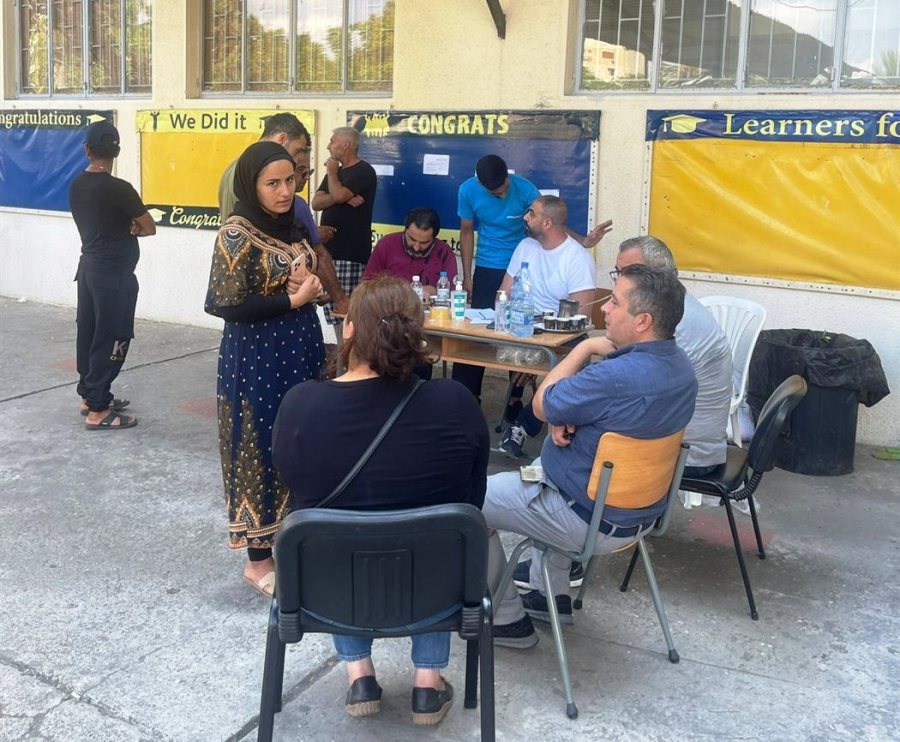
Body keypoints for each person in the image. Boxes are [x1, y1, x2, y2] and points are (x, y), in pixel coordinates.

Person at [272, 275, 489, 725]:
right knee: (439, 536)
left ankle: (360, 676)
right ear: (417, 334)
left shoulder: (300, 406)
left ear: (349, 329)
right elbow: (474, 497)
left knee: (337, 530)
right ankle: (428, 684)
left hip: (331, 592)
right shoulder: (456, 403)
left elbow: (295, 489)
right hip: (434, 591)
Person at [485, 264, 697, 648]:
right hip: (640, 515)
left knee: (467, 500)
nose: (604, 310)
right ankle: (550, 597)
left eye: (614, 302)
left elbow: (541, 405)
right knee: (545, 468)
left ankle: (507, 620)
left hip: (584, 517)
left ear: (643, 321)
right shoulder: (683, 371)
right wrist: (566, 420)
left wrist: (583, 347)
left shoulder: (614, 376)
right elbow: (620, 419)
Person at [205, 141, 325, 597]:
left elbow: (303, 278)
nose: (284, 191)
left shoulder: (293, 225)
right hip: (257, 356)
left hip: (299, 349)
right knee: (259, 444)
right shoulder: (236, 233)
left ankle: (295, 537)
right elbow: (224, 303)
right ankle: (258, 561)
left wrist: (309, 286)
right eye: (272, 183)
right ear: (251, 185)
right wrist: (291, 300)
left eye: (290, 181)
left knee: (302, 439)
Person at [453, 154, 612, 400]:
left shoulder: (526, 191)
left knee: (520, 329)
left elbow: (551, 221)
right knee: (474, 336)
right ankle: (465, 398)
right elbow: (466, 231)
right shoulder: (468, 191)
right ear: (482, 185)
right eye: (496, 194)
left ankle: (514, 400)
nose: (503, 196)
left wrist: (582, 241)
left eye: (505, 189)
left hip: (524, 265)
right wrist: (467, 276)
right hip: (489, 264)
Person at [612, 236, 732, 477]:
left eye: (628, 273)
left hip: (688, 455)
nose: (619, 282)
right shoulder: (676, 305)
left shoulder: (673, 326)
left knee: (575, 452)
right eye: (617, 273)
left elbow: (631, 396)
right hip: (688, 441)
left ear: (656, 278)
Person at [69, 120, 156, 430]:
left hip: (88, 271)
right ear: (116, 152)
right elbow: (149, 227)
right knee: (113, 337)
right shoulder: (121, 189)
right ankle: (98, 410)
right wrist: (132, 227)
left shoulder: (76, 186)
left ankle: (90, 394)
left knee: (89, 332)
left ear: (87, 150)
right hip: (114, 278)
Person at [495, 195, 597, 457]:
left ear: (548, 222)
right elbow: (504, 294)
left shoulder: (577, 258)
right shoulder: (525, 246)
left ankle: (521, 426)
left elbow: (580, 319)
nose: (525, 217)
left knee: (559, 375)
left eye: (531, 213)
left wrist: (539, 349)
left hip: (562, 337)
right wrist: (527, 348)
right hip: (524, 330)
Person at [218, 113, 348, 314]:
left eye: (290, 180)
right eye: (298, 150)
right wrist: (298, 298)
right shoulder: (240, 230)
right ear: (281, 139)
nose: (286, 192)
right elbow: (229, 303)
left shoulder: (236, 168)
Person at [311, 127, 378, 324]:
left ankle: (347, 345)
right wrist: (344, 197)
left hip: (350, 254)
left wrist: (333, 177)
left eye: (332, 141)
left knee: (347, 316)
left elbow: (338, 194)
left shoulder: (363, 170)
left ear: (346, 144)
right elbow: (316, 202)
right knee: (333, 314)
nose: (328, 146)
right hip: (328, 254)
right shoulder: (337, 173)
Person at [292, 150, 348, 314]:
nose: (307, 178)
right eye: (302, 172)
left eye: (309, 172)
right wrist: (340, 299)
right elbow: (320, 255)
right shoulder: (297, 205)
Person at [362, 207, 458, 297]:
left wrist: (434, 291)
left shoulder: (444, 252)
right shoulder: (386, 244)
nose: (416, 247)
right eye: (412, 239)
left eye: (423, 243)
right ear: (405, 230)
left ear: (433, 238)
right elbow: (366, 286)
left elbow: (453, 293)